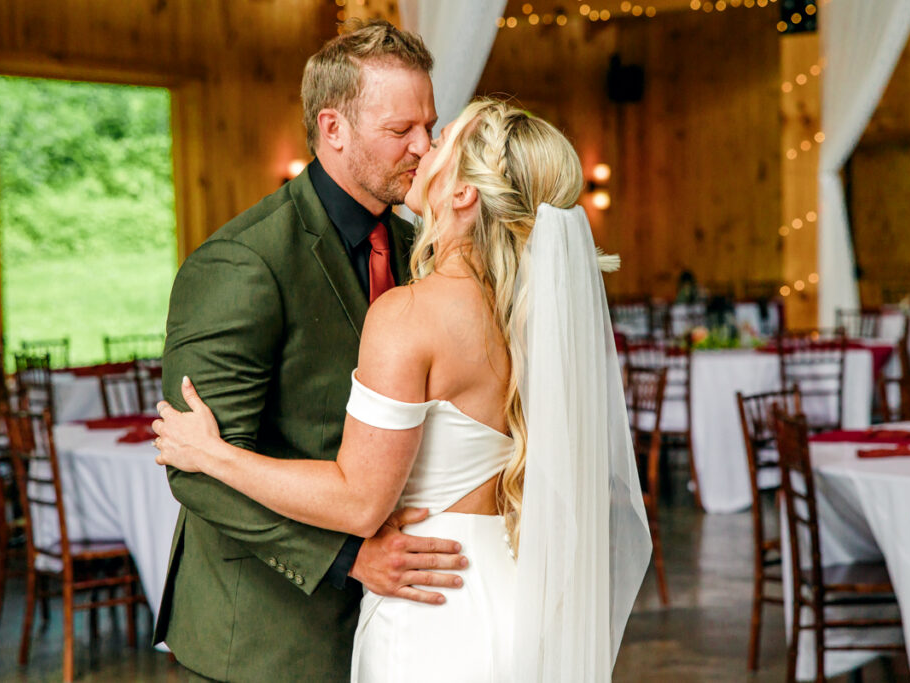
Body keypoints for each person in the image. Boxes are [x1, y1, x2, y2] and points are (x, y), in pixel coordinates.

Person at [154, 99, 653, 682]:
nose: (423, 150)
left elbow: (359, 500)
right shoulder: (527, 314)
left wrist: (214, 455)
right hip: (512, 589)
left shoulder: (411, 311)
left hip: (433, 614)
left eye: (439, 142)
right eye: (410, 131)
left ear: (465, 193)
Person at [153, 20, 468, 682]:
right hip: (266, 638)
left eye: (430, 125)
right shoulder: (244, 263)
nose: (426, 146)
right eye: (401, 129)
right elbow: (195, 465)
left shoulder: (421, 251)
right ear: (334, 129)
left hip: (400, 622)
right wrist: (350, 555)